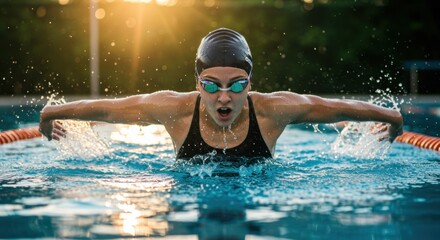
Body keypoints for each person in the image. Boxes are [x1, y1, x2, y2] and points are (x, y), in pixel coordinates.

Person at [39, 28, 403, 159]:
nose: (224, 97)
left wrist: (392, 118)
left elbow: (337, 107)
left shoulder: (273, 110)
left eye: (237, 85)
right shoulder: (174, 109)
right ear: (198, 84)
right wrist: (49, 116)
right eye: (212, 85)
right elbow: (109, 109)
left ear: (251, 84)